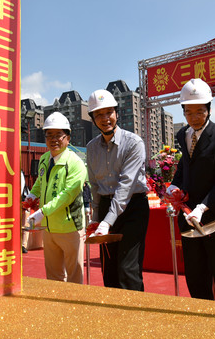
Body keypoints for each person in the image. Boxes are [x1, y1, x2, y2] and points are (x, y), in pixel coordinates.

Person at [166, 78, 215, 302]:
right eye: (188, 112)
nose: (194, 117)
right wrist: (174, 185)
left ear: (209, 109)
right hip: (189, 219)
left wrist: (202, 207)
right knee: (196, 276)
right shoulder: (183, 135)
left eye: (199, 111)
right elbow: (185, 168)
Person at [87, 89, 150, 291]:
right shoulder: (91, 148)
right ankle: (114, 319)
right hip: (106, 207)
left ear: (117, 113)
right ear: (92, 119)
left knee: (128, 269)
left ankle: (136, 319)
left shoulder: (134, 143)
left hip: (132, 207)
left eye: (109, 113)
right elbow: (95, 185)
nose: (105, 119)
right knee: (109, 270)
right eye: (99, 114)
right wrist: (96, 218)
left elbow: (126, 186)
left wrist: (107, 222)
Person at [27, 112, 87, 284]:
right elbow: (40, 180)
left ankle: (75, 309)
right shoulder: (45, 158)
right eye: (49, 135)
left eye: (58, 135)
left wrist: (41, 212)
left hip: (69, 227)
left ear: (67, 138)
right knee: (53, 277)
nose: (53, 139)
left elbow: (67, 196)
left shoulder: (76, 163)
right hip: (49, 227)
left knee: (74, 275)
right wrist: (32, 195)